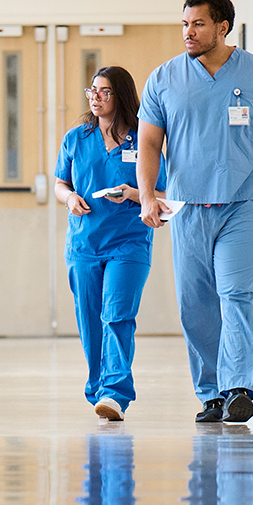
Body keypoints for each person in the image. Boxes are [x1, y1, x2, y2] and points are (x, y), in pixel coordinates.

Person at [136, 0, 253, 424]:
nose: (189, 32)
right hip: (187, 205)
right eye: (185, 24)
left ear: (223, 26)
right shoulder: (164, 79)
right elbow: (150, 142)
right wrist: (148, 193)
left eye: (199, 23)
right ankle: (211, 392)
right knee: (196, 302)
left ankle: (239, 386)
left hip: (243, 202)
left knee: (237, 291)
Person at [54, 66, 167, 421]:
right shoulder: (77, 138)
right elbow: (60, 184)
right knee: (90, 320)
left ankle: (115, 392)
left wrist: (135, 193)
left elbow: (163, 194)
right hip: (84, 244)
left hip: (128, 243)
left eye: (104, 91)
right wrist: (69, 198)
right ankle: (98, 387)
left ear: (121, 97)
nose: (96, 98)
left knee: (117, 315)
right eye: (92, 90)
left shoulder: (142, 139)